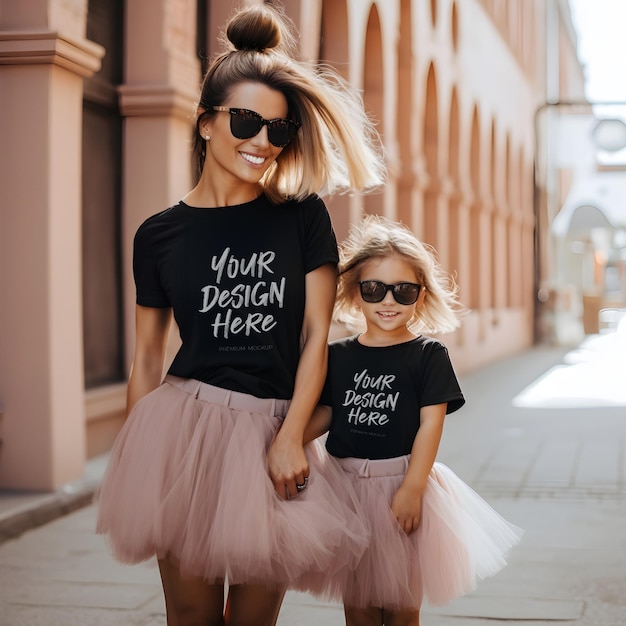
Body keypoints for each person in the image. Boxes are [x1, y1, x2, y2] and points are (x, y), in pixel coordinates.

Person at [95, 4, 384, 626]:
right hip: (183, 434)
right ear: (205, 124)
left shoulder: (301, 215)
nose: (261, 142)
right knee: (192, 618)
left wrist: (289, 438)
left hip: (273, 436)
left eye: (278, 131)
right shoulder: (159, 235)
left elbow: (315, 337)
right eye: (247, 121)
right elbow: (147, 358)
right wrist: (138, 461)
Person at [303, 215, 522, 626]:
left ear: (420, 296)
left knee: (403, 605)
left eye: (403, 291)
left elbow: (430, 425)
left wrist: (413, 487)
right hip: (343, 490)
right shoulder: (339, 355)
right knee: (359, 605)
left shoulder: (427, 355)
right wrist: (289, 438)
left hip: (401, 485)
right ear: (354, 292)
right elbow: (331, 412)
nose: (388, 301)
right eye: (374, 289)